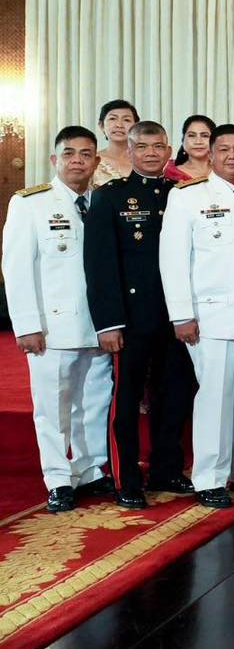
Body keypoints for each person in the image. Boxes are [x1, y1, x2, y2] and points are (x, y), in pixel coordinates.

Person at [160, 125, 234, 509]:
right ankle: (209, 476)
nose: (232, 156)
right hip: (212, 316)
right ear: (209, 154)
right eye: (224, 149)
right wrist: (181, 315)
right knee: (216, 397)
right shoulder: (188, 197)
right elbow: (173, 260)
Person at [83, 121, 195, 508]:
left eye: (157, 146)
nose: (150, 153)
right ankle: (126, 477)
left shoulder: (180, 194)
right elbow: (99, 265)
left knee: (176, 394)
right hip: (131, 318)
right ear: (128, 151)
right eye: (142, 146)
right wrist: (108, 322)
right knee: (127, 401)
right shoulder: (111, 197)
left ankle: (166, 468)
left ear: (168, 151)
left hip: (175, 316)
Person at [3, 127, 112, 512]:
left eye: (86, 154)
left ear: (96, 162)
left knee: (94, 402)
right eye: (69, 154)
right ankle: (57, 477)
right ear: (55, 160)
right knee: (53, 406)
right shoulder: (30, 203)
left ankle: (88, 468)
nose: (78, 161)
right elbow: (16, 269)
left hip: (98, 326)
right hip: (53, 327)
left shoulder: (103, 202)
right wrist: (28, 324)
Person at [94, 99, 138, 186]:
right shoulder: (92, 162)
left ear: (136, 126)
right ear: (101, 125)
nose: (119, 125)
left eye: (126, 120)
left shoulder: (146, 160)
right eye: (112, 118)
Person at [164, 115, 214, 183]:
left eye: (205, 136)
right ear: (183, 140)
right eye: (191, 135)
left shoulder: (224, 172)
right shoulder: (171, 174)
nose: (198, 142)